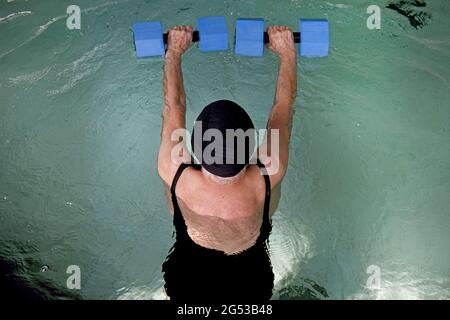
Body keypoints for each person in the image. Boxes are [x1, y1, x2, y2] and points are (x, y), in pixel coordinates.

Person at [157, 25, 297, 301]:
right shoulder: (267, 172)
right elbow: (282, 108)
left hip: (188, 270)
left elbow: (174, 105)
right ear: (252, 149)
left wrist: (174, 50)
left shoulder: (174, 171)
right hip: (251, 269)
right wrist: (287, 53)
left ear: (193, 146)